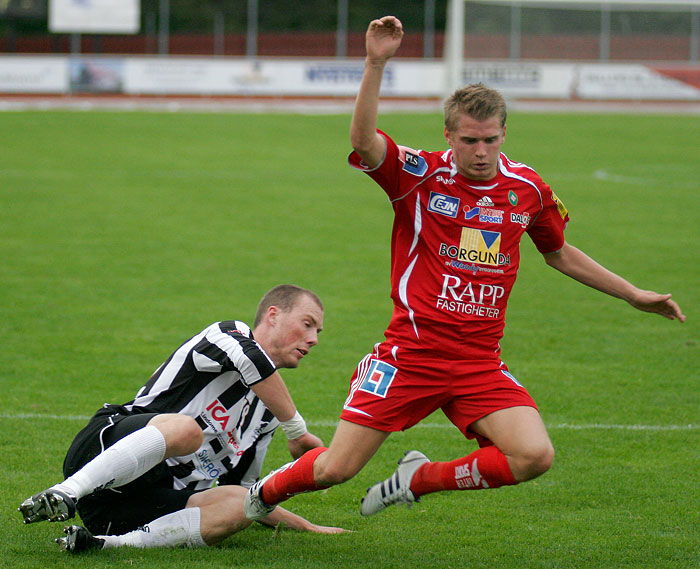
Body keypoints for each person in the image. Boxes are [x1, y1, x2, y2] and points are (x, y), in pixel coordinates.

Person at [242, 16, 686, 523]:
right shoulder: (420, 175)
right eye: (470, 140)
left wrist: (632, 294)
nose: (481, 152)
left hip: (478, 361)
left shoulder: (528, 189)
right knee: (335, 469)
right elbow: (365, 142)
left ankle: (417, 479)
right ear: (449, 135)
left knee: (534, 456)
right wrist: (375, 63)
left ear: (503, 134)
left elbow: (558, 251)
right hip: (412, 354)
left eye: (491, 140)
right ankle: (257, 497)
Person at [18, 284, 346, 552]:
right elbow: (250, 362)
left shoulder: (267, 416)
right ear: (273, 315)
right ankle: (65, 493)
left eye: (317, 330)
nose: (314, 339)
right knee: (187, 431)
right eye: (307, 323)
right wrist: (297, 431)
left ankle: (106, 545)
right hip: (101, 453)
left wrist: (306, 526)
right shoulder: (226, 334)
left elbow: (250, 490)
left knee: (244, 504)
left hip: (127, 510)